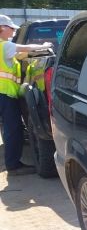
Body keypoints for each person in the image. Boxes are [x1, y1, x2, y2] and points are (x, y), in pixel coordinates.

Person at [0, 14, 52, 175]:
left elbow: (22, 55)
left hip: (5, 95)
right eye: (11, 28)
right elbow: (25, 49)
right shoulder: (4, 45)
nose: (13, 31)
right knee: (13, 130)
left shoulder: (5, 47)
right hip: (5, 95)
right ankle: (13, 166)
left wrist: (38, 54)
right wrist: (44, 46)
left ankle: (12, 163)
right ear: (1, 29)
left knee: (11, 129)